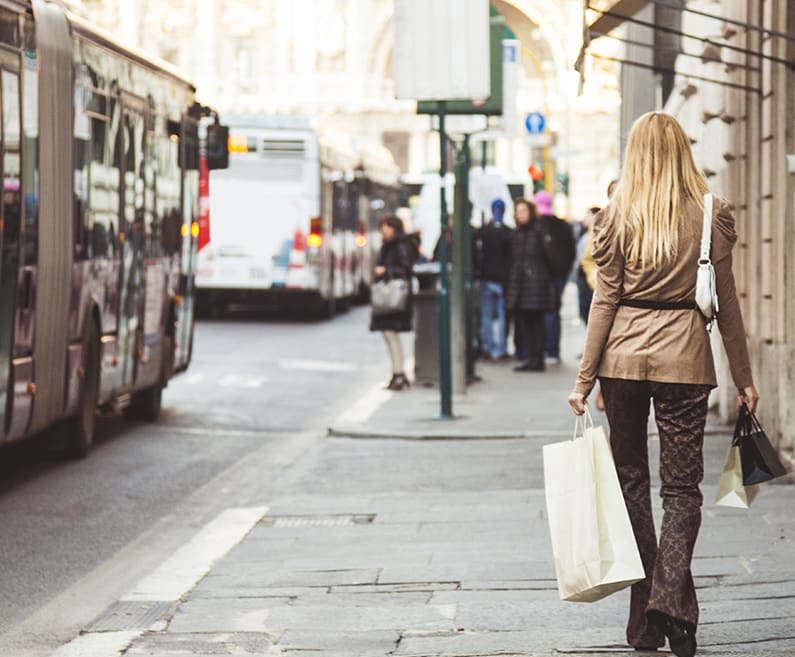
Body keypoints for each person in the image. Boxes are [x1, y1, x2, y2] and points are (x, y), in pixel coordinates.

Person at [567, 112, 759, 657]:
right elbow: (727, 306)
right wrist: (745, 379)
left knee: (630, 483)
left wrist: (585, 380)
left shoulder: (615, 218)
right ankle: (669, 600)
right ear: (682, 151)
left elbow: (604, 303)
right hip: (685, 361)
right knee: (681, 491)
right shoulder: (710, 216)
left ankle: (652, 611)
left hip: (621, 362)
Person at [505, 198, 553, 371]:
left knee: (536, 322)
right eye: (518, 212)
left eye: (523, 211)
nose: (520, 215)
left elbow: (550, 256)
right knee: (526, 322)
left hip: (536, 283)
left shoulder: (538, 230)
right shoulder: (517, 233)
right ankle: (530, 357)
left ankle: (537, 358)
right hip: (521, 283)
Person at [370, 215, 413, 391]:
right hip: (389, 296)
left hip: (394, 296)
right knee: (389, 335)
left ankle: (399, 373)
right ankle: (398, 373)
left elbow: (405, 269)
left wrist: (385, 271)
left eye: (386, 226)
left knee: (391, 334)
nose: (383, 229)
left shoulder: (399, 245)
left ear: (394, 227)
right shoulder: (389, 245)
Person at [534, 190, 575, 364]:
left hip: (546, 276)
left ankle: (548, 349)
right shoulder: (563, 226)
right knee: (554, 311)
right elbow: (571, 252)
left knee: (547, 312)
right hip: (559, 275)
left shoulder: (539, 225)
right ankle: (552, 350)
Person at [476, 199, 513, 361]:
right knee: (502, 315)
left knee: (487, 315)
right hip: (503, 278)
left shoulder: (484, 231)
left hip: (487, 276)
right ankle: (501, 348)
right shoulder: (508, 232)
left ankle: (488, 348)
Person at [576, 206, 600, 325]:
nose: (584, 218)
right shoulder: (590, 231)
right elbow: (587, 259)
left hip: (597, 283)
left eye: (587, 215)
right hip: (592, 281)